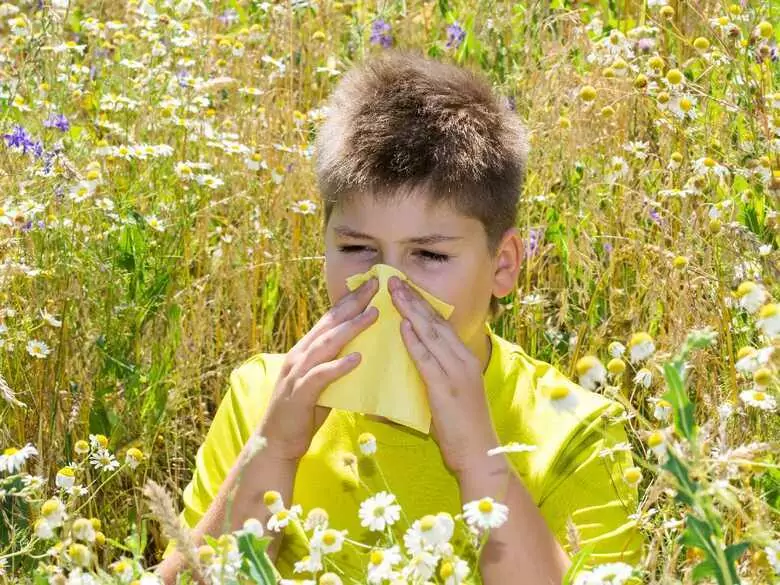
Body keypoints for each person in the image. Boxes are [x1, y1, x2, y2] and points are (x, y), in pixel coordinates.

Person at [158, 49, 643, 584]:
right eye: (359, 249)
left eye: (430, 256)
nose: (389, 286)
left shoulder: (571, 430)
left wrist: (481, 460)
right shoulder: (263, 398)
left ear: (502, 265)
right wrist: (276, 450)